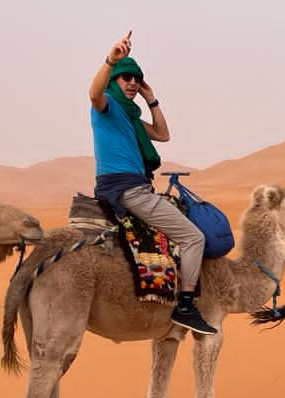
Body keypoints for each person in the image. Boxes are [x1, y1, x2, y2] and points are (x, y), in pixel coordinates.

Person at [89, 32, 215, 334]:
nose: (132, 82)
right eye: (126, 78)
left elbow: (162, 134)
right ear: (113, 82)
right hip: (129, 191)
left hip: (133, 188)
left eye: (136, 78)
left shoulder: (130, 118)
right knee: (194, 238)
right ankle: (185, 305)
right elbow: (94, 94)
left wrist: (151, 98)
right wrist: (111, 61)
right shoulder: (106, 109)